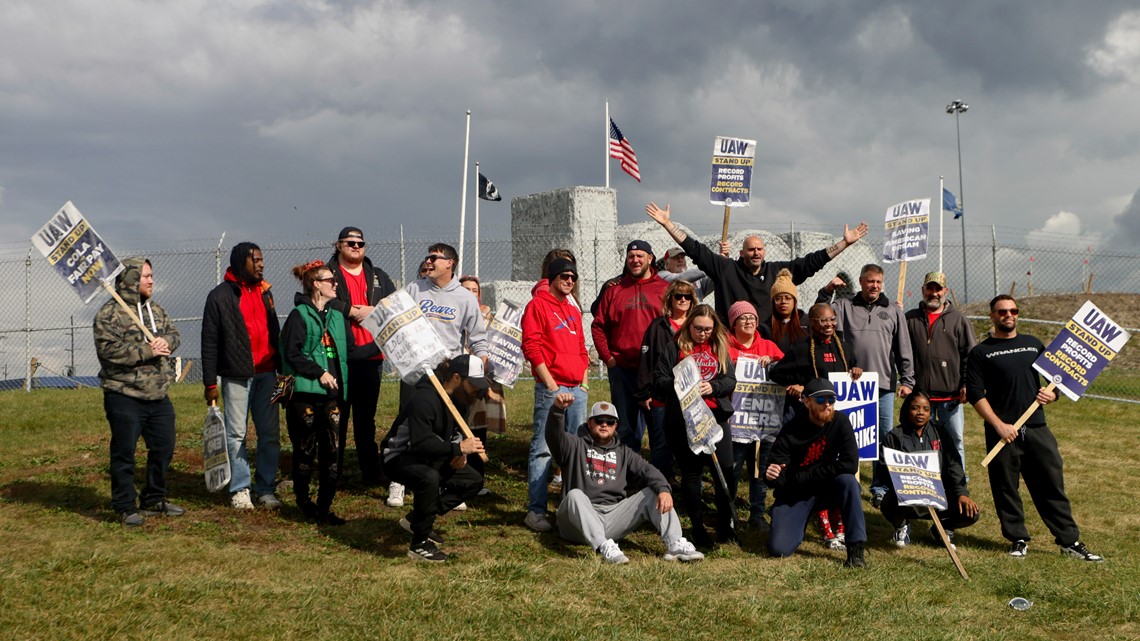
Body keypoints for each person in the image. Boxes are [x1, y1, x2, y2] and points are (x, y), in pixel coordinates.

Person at [965, 295, 1103, 561]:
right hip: (1002, 432)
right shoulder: (981, 352)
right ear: (992, 316)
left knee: (1051, 484)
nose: (1008, 315)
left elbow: (1057, 380)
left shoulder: (1033, 344)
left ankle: (1069, 541)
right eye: (1002, 311)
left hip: (1037, 426)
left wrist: (1053, 395)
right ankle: (1017, 539)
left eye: (1013, 310)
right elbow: (974, 394)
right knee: (1006, 487)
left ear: (1018, 314)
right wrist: (999, 426)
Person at [645, 201, 869, 323]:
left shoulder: (777, 273)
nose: (755, 253)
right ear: (741, 253)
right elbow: (695, 249)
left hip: (767, 344)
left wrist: (844, 243)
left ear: (765, 251)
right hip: (731, 345)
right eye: (750, 249)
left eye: (759, 249)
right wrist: (668, 224)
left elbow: (812, 262)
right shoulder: (726, 269)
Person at [544, 394, 704, 564]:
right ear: (590, 423)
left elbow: (648, 471)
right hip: (575, 523)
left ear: (616, 426)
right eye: (599, 420)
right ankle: (604, 546)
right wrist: (558, 410)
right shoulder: (574, 445)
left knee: (653, 492)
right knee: (575, 495)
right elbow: (554, 436)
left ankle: (675, 543)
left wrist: (663, 489)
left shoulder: (624, 452)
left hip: (612, 517)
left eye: (610, 421)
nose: (604, 424)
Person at [281, 260, 381, 525]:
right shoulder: (298, 315)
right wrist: (319, 372)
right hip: (305, 394)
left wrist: (381, 346)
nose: (336, 284)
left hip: (333, 396)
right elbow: (292, 353)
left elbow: (349, 352)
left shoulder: (337, 316)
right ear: (316, 284)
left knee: (332, 453)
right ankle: (304, 503)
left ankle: (324, 508)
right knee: (305, 451)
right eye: (331, 281)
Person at [389, 242, 488, 508]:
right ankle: (398, 481)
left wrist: (480, 367)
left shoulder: (465, 298)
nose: (428, 262)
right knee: (408, 423)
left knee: (447, 428)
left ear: (450, 263)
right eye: (427, 257)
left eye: (434, 258)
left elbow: (478, 339)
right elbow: (395, 322)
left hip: (449, 378)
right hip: (415, 372)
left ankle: (447, 481)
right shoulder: (414, 289)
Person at [93, 257, 184, 527]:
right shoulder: (108, 315)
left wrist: (166, 341)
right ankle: (124, 506)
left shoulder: (156, 310)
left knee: (164, 447)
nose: (151, 280)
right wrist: (148, 351)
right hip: (124, 394)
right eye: (145, 276)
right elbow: (108, 352)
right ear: (132, 278)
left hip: (158, 393)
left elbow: (174, 334)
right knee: (124, 452)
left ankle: (154, 499)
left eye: (152, 275)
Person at [818, 264, 914, 506]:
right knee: (846, 436)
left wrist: (907, 380)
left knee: (883, 438)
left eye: (879, 282)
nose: (875, 286)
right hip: (850, 385)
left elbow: (904, 348)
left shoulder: (893, 310)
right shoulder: (844, 306)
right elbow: (819, 315)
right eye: (870, 281)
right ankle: (842, 480)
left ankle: (880, 488)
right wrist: (827, 290)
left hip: (882, 386)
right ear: (861, 282)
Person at [768, 302, 863, 548]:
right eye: (823, 321)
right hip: (809, 419)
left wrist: (856, 369)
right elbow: (776, 373)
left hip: (835, 421)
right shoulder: (802, 349)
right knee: (779, 548)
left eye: (832, 320)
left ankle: (844, 532)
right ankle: (797, 514)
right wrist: (801, 384)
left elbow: (851, 365)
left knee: (846, 477)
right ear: (812, 323)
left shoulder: (843, 347)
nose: (829, 325)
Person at [381, 356, 488, 563]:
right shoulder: (424, 399)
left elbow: (457, 433)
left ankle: (418, 519)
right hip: (399, 457)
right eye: (473, 385)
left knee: (472, 481)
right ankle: (419, 544)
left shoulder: (461, 401)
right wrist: (455, 448)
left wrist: (461, 453)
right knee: (428, 477)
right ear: (457, 378)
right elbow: (420, 443)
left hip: (432, 455)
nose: (477, 391)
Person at [202, 242, 282, 510]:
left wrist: (281, 369)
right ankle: (240, 489)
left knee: (269, 434)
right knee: (236, 435)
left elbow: (275, 332)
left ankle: (266, 489)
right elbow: (209, 342)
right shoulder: (220, 296)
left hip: (268, 374)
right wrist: (210, 383)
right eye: (256, 260)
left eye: (262, 259)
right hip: (237, 377)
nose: (261, 264)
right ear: (240, 262)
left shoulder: (266, 292)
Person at [652, 304, 737, 548]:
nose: (703, 334)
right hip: (684, 420)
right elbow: (658, 381)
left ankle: (725, 524)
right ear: (689, 325)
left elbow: (730, 380)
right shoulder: (673, 348)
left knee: (726, 471)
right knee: (692, 474)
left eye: (708, 329)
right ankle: (698, 528)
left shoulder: (719, 347)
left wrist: (714, 387)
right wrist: (681, 385)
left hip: (715, 417)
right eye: (698, 328)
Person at [520, 258, 590, 532]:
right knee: (543, 450)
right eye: (564, 275)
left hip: (577, 388)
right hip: (554, 388)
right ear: (551, 277)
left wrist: (583, 384)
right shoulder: (537, 305)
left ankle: (568, 509)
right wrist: (551, 385)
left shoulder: (572, 310)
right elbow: (532, 346)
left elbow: (582, 349)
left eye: (573, 277)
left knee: (574, 451)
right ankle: (536, 511)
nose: (570, 281)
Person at [765, 378, 867, 568]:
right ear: (806, 402)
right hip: (796, 495)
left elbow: (850, 464)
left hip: (825, 489)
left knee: (849, 482)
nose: (827, 404)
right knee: (778, 549)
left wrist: (804, 475)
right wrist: (770, 475)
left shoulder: (840, 422)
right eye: (820, 400)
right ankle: (789, 520)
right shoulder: (791, 429)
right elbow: (777, 473)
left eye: (831, 399)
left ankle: (856, 550)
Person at [325, 226, 396, 487]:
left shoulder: (377, 275)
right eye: (350, 243)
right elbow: (320, 299)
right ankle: (334, 472)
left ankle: (371, 472)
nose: (356, 247)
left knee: (366, 420)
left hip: (372, 358)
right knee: (337, 417)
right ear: (339, 245)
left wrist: (374, 310)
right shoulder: (328, 273)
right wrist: (351, 310)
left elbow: (394, 303)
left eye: (360, 243)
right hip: (340, 358)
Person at [874, 390, 980, 549]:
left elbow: (954, 466)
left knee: (970, 512)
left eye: (925, 409)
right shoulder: (894, 436)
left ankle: (943, 530)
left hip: (938, 496)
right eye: (915, 408)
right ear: (906, 409)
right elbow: (882, 471)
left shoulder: (941, 433)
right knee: (888, 502)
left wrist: (962, 494)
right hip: (907, 496)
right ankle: (902, 526)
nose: (920, 413)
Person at [591, 240, 669, 452]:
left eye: (640, 256)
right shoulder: (614, 291)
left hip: (656, 372)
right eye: (631, 257)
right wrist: (609, 358)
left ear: (650, 259)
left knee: (659, 426)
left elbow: (675, 325)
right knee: (625, 428)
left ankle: (661, 477)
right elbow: (598, 326)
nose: (635, 260)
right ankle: (628, 476)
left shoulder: (664, 289)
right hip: (623, 369)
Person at [905, 271, 975, 477]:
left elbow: (970, 355)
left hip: (950, 397)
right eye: (930, 288)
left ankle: (958, 483)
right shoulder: (910, 318)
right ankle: (922, 481)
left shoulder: (959, 320)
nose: (934, 293)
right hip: (920, 396)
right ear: (923, 290)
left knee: (955, 441)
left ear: (945, 291)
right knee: (918, 441)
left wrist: (966, 384)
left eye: (938, 289)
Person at [725, 300, 784, 532]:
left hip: (763, 421)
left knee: (759, 470)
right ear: (733, 324)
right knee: (734, 468)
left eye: (752, 318)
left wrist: (774, 362)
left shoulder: (769, 346)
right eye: (742, 318)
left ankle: (757, 515)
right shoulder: (726, 348)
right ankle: (729, 515)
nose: (749, 321)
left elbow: (788, 367)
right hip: (736, 421)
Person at [634, 279, 697, 481]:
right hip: (663, 395)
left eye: (687, 296)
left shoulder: (698, 326)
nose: (683, 300)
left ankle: (692, 484)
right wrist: (644, 392)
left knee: (692, 440)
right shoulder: (658, 326)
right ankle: (661, 484)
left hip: (692, 395)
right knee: (661, 443)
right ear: (670, 299)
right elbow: (646, 359)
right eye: (678, 295)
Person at [459, 275, 507, 487]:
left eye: (474, 290)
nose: (470, 293)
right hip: (460, 379)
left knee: (479, 428)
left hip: (484, 378)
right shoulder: (455, 312)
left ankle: (477, 479)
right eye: (466, 289)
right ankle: (457, 476)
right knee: (458, 428)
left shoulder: (490, 317)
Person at [762, 269, 808, 355]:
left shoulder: (807, 322)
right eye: (778, 298)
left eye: (787, 298)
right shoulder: (766, 327)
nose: (783, 301)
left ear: (794, 301)